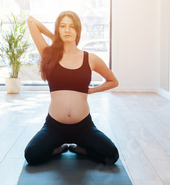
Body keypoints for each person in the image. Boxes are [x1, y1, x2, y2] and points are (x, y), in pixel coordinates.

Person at [24, 11, 119, 165]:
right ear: (58, 30)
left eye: (71, 27)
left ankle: (81, 149)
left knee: (112, 155)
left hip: (84, 127)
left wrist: (91, 90)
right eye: (63, 26)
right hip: (54, 126)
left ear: (78, 31)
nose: (67, 30)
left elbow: (113, 81)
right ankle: (58, 149)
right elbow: (31, 21)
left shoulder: (90, 58)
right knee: (31, 155)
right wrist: (54, 37)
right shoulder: (49, 55)